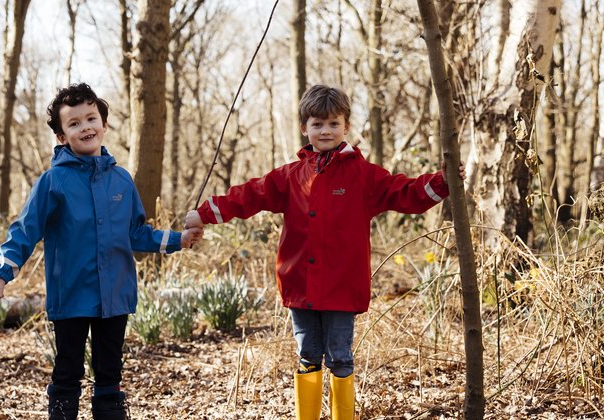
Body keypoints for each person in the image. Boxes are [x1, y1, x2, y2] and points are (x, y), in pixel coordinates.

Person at [184, 85, 463, 420]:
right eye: (317, 124)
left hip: (342, 287)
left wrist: (442, 182)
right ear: (305, 128)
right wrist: (203, 213)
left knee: (341, 357)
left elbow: (404, 192)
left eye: (333, 123)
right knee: (307, 356)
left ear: (345, 127)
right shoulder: (291, 175)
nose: (325, 130)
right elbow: (251, 195)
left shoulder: (363, 175)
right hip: (299, 285)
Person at [0, 83, 203, 420]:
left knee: (109, 371)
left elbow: (136, 233)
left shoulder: (122, 180)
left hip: (116, 296)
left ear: (104, 124)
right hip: (71, 298)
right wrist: (0, 276)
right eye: (75, 123)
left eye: (91, 118)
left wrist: (178, 240)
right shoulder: (53, 182)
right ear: (62, 136)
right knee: (67, 370)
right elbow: (24, 231)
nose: (86, 127)